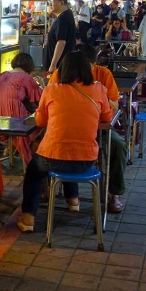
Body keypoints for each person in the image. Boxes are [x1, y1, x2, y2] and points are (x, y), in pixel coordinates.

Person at [17, 52, 113, 232]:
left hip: (52, 156)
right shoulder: (98, 89)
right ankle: (73, 201)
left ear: (64, 70)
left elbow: (40, 122)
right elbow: (107, 116)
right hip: (86, 159)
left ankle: (28, 219)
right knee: (71, 156)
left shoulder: (52, 89)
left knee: (33, 173)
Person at [50, 45, 127, 213]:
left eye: (89, 66)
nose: (86, 70)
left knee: (118, 144)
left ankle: (114, 193)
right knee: (39, 144)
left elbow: (113, 106)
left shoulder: (103, 75)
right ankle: (46, 189)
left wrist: (99, 97)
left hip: (97, 128)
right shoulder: (59, 75)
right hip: (64, 128)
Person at [0, 52, 43, 165]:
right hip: (15, 120)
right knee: (41, 122)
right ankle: (33, 159)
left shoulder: (2, 75)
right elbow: (41, 98)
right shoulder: (26, 77)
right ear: (30, 66)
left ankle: (11, 148)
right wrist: (42, 84)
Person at [45, 0, 76, 77]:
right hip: (64, 63)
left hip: (60, 65)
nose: (50, 4)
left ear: (61, 2)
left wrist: (53, 65)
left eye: (52, 0)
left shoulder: (63, 18)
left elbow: (61, 42)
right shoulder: (66, 15)